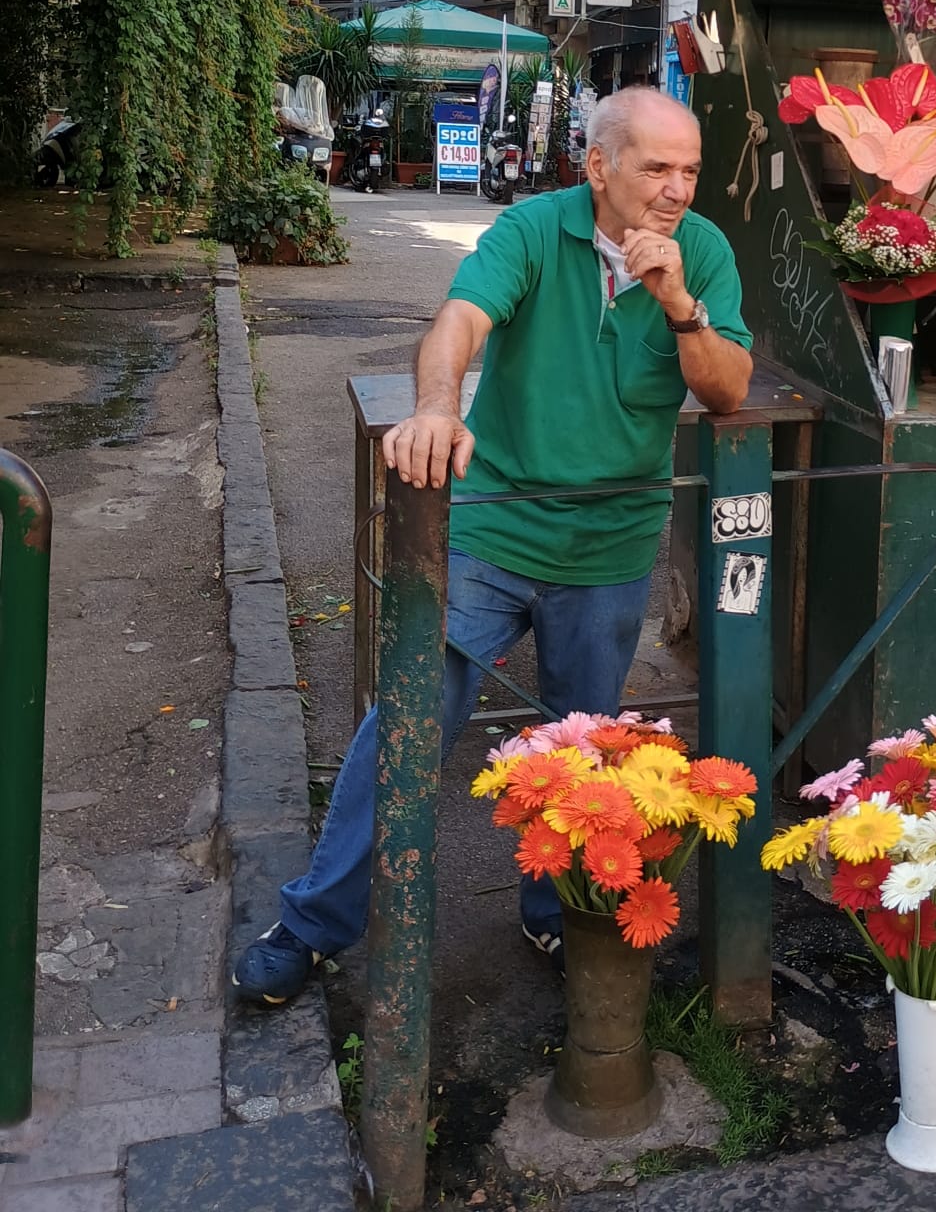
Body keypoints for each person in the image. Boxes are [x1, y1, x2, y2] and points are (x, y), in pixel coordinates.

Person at [234, 88, 753, 1004]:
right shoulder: (533, 230)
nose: (677, 190)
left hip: (611, 544)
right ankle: (316, 921)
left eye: (690, 171)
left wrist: (677, 301)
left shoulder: (703, 253)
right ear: (599, 167)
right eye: (656, 168)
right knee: (410, 712)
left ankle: (555, 911)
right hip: (496, 525)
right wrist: (437, 407)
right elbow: (460, 322)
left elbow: (726, 392)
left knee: (582, 747)